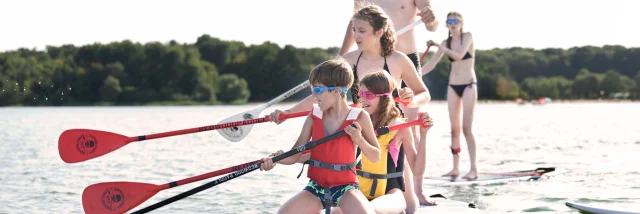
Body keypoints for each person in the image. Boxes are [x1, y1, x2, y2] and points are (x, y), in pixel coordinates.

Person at [269, 4, 435, 208]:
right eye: (354, 30)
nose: (356, 35)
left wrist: (411, 100)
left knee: (410, 205)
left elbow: (423, 93)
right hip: (355, 131)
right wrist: (288, 113)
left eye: (362, 31)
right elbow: (321, 93)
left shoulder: (398, 60)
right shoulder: (347, 61)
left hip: (389, 132)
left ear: (379, 32)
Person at [338, 0, 439, 205]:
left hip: (402, 58)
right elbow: (355, 28)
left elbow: (432, 27)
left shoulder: (400, 59)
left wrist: (432, 19)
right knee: (370, 131)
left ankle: (411, 193)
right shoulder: (354, 53)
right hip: (364, 58)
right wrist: (339, 60)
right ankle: (370, 187)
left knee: (402, 132)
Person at [260, 58, 382, 214]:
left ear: (337, 91)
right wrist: (275, 160)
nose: (313, 95)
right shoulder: (313, 116)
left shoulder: (360, 117)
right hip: (315, 188)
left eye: (317, 90)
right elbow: (294, 155)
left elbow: (376, 156)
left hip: (346, 189)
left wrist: (359, 140)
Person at [325, 70, 434, 214]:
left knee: (370, 211)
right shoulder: (355, 122)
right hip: (359, 193)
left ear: (384, 97)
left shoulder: (399, 127)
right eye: (361, 94)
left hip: (391, 194)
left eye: (369, 95)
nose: (363, 100)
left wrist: (423, 134)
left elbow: (418, 171)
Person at [420, 11, 478, 180]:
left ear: (461, 23)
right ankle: (455, 168)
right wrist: (415, 74)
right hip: (453, 85)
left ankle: (474, 168)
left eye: (456, 21)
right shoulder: (446, 42)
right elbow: (431, 64)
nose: (453, 23)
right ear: (446, 24)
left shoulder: (467, 37)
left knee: (467, 128)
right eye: (450, 21)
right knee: (454, 129)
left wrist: (439, 46)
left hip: (468, 85)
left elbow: (459, 55)